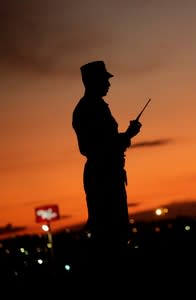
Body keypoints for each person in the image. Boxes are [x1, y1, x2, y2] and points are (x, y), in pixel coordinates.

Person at [72, 60, 142, 253]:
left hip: (107, 174)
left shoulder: (96, 107)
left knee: (113, 233)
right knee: (110, 235)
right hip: (104, 176)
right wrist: (127, 136)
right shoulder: (89, 108)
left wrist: (126, 136)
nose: (109, 84)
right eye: (105, 80)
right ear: (93, 82)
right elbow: (98, 147)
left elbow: (105, 143)